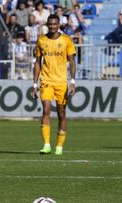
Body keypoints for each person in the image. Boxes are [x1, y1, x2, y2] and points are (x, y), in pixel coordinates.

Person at [32, 14, 76, 155]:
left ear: (58, 25)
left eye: (54, 24)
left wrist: (72, 81)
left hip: (61, 82)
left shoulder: (66, 40)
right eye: (50, 24)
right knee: (46, 109)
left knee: (61, 113)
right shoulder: (41, 40)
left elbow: (72, 61)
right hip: (46, 81)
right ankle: (46, 145)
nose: (52, 26)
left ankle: (59, 146)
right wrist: (34, 84)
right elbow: (37, 62)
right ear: (47, 24)